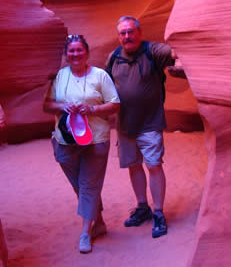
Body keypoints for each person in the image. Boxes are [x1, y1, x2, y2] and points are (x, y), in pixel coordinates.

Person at [106, 16, 185, 239]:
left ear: (139, 32)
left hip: (149, 123)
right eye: (122, 33)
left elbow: (177, 52)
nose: (127, 36)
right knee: (134, 166)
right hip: (125, 124)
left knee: (153, 166)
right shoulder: (113, 57)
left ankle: (158, 212)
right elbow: (105, 85)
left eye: (130, 32)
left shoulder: (154, 51)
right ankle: (143, 207)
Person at [43, 34, 120, 254]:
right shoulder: (59, 77)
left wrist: (93, 109)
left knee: (88, 184)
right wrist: (62, 106)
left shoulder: (100, 76)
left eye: (79, 50)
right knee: (81, 184)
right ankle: (100, 222)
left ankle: (86, 232)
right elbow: (47, 105)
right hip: (66, 140)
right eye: (71, 51)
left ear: (87, 52)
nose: (75, 54)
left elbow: (115, 104)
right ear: (66, 54)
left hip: (95, 139)